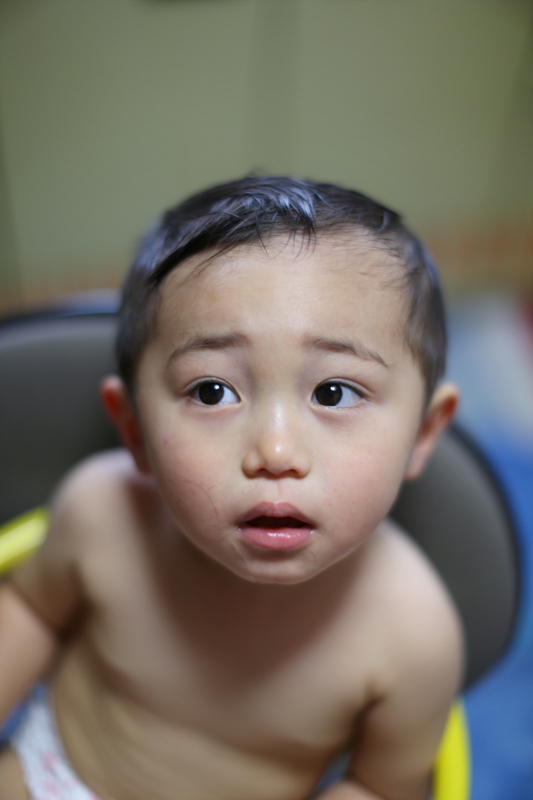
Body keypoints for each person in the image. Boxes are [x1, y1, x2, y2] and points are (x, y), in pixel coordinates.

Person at [0, 177, 464, 800]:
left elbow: (381, 786)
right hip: (50, 773)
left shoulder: (413, 634)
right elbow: (30, 612)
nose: (276, 452)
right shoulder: (100, 514)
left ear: (423, 433)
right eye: (212, 391)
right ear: (134, 430)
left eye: (333, 392)